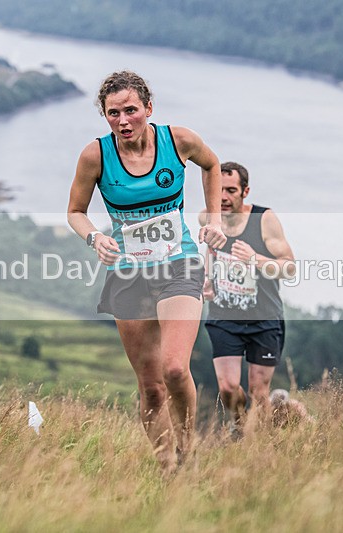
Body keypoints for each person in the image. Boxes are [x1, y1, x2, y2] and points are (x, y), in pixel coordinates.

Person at [67, 70, 226, 475]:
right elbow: (75, 213)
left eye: (131, 111)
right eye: (113, 113)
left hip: (180, 264)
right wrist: (94, 239)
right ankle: (166, 468)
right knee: (151, 387)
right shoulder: (95, 156)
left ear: (148, 109)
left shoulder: (178, 141)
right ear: (105, 116)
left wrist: (215, 219)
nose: (123, 121)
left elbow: (212, 165)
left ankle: (189, 451)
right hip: (128, 274)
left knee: (175, 368)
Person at [199, 161, 296, 434]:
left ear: (245, 191)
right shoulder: (208, 217)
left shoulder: (264, 219)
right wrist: (208, 279)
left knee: (258, 392)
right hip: (223, 316)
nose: (223, 198)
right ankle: (241, 429)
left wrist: (255, 259)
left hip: (264, 319)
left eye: (231, 190)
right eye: (218, 190)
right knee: (228, 388)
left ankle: (258, 442)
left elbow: (289, 267)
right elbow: (210, 251)